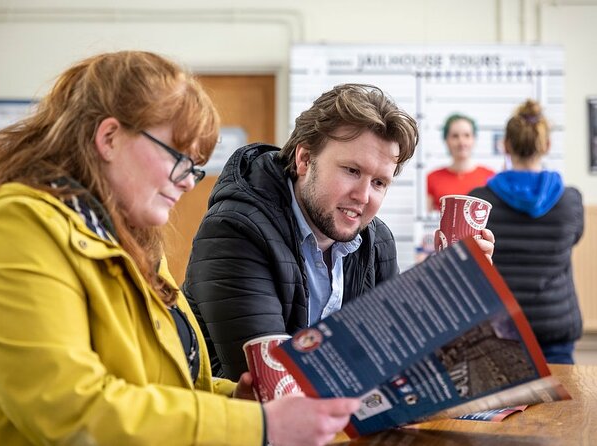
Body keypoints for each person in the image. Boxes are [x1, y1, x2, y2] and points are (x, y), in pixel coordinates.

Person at [0, 51, 360, 446]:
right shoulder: (12, 230)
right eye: (178, 157)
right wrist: (260, 428)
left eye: (195, 165)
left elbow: (166, 386)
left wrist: (240, 404)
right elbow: (70, 412)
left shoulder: (129, 243)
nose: (189, 181)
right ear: (109, 138)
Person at [183, 83, 495, 380]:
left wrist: (448, 290)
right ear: (305, 159)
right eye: (352, 171)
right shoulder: (236, 231)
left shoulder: (376, 242)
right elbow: (271, 383)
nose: (363, 196)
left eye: (379, 183)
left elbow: (396, 359)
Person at [469, 99, 584, 364]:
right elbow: (573, 238)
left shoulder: (479, 202)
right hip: (555, 326)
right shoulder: (571, 201)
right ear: (546, 146)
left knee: (506, 406)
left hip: (500, 327)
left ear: (506, 145)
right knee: (560, 406)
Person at [426, 113, 495, 212]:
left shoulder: (490, 177)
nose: (461, 142)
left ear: (474, 139)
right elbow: (426, 221)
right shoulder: (432, 178)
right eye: (455, 136)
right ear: (446, 140)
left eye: (467, 135)